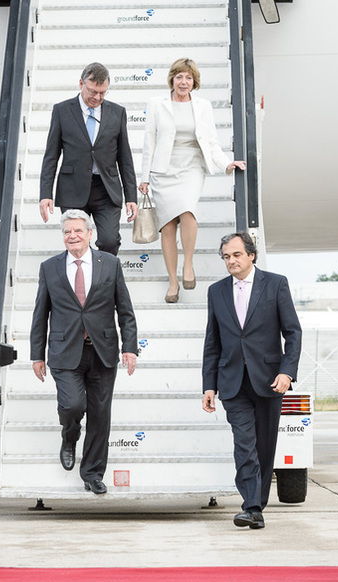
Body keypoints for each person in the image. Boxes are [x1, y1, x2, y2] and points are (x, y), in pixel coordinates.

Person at [30, 210, 138, 494]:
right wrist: (37, 354)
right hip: (65, 352)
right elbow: (40, 313)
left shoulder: (110, 264)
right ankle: (70, 436)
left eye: (78, 231)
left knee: (101, 415)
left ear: (90, 234)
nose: (72, 236)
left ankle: (92, 473)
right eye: (67, 232)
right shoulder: (49, 267)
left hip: (102, 351)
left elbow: (124, 309)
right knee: (72, 405)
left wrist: (130, 347)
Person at [201, 232, 301, 530]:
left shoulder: (276, 283)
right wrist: (209, 385)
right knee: (244, 443)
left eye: (236, 255)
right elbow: (212, 341)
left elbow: (293, 332)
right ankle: (252, 506)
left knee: (264, 447)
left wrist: (287, 371)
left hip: (270, 380)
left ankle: (258, 503)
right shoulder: (216, 291)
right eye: (226, 257)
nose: (231, 261)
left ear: (251, 255)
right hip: (232, 382)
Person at [138, 58, 246, 303]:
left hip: (191, 167)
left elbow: (211, 141)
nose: (183, 82)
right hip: (163, 170)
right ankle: (173, 281)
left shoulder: (203, 106)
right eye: (179, 77)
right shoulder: (157, 104)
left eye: (188, 77)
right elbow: (149, 142)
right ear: (172, 80)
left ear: (194, 81)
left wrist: (226, 162)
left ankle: (188, 265)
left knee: (187, 212)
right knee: (167, 225)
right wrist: (144, 178)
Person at [39, 62, 138, 256]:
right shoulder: (62, 111)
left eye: (102, 93)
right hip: (72, 188)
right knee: (78, 244)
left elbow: (125, 157)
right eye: (93, 92)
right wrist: (45, 194)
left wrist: (131, 196)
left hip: (106, 189)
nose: (97, 98)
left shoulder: (118, 113)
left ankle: (104, 283)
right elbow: (51, 155)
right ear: (81, 83)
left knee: (109, 241)